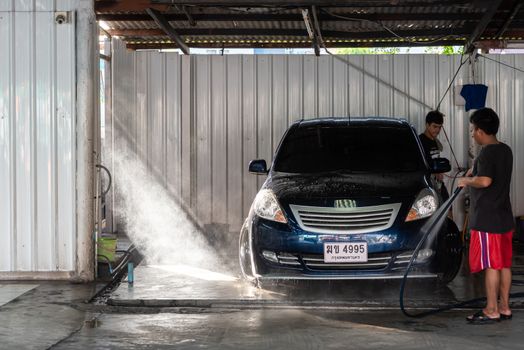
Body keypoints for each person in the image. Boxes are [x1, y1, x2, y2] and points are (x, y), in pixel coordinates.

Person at [457, 108, 514, 324]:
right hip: (504, 218)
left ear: (481, 131)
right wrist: (475, 168)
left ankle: (491, 309)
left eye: (473, 130)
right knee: (504, 264)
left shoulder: (486, 152)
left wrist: (467, 181)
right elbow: (491, 172)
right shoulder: (505, 150)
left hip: (488, 220)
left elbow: (485, 181)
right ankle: (505, 307)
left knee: (491, 265)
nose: (472, 134)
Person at [419, 110, 449, 201]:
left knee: (447, 205)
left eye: (439, 127)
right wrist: (434, 172)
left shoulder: (435, 141)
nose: (437, 130)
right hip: (427, 184)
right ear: (427, 125)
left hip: (438, 182)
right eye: (434, 126)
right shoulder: (420, 141)